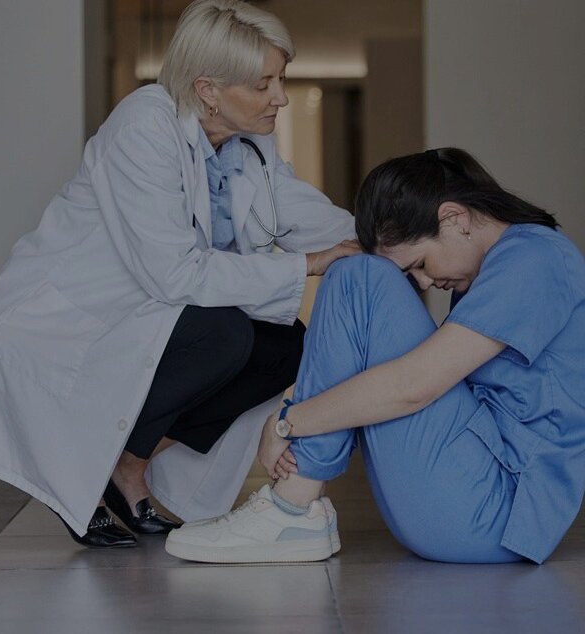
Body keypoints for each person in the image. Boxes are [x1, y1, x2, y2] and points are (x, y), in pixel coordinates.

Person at [0, 0, 358, 548]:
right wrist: (308, 265)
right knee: (225, 334)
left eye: (281, 80)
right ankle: (95, 470)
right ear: (208, 89)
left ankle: (124, 464)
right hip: (72, 320)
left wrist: (384, 246)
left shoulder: (247, 145)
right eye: (264, 84)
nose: (279, 97)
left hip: (152, 312)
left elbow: (305, 213)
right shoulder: (145, 125)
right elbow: (175, 274)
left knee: (284, 345)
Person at [166, 147, 585, 564]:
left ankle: (292, 508)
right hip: (468, 500)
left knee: (359, 277)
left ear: (454, 219)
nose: (422, 282)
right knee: (354, 273)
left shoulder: (535, 258)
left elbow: (413, 387)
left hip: (497, 509)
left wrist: (288, 422)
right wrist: (291, 408)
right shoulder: (492, 270)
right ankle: (294, 509)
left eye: (419, 263)